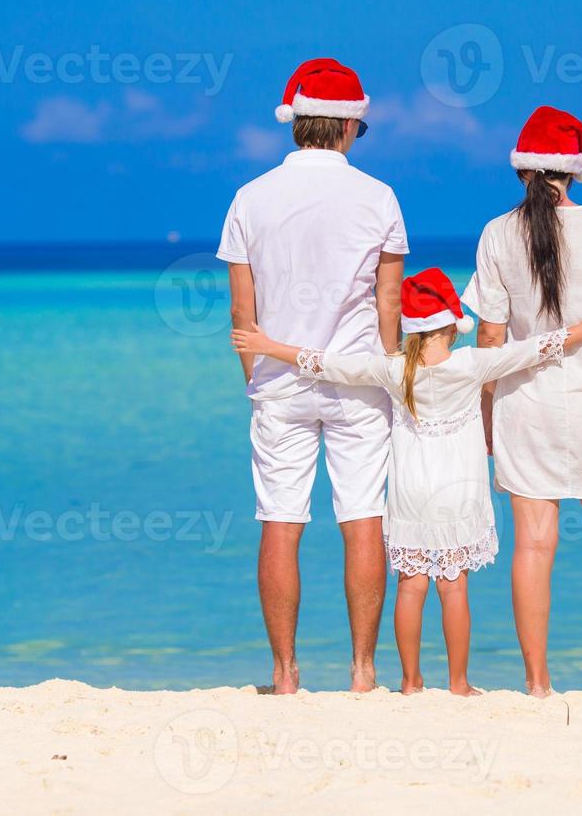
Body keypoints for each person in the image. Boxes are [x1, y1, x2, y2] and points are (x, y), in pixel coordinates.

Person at [231, 268, 582, 696]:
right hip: (457, 488)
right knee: (454, 584)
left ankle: (409, 681)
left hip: (409, 488)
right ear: (450, 324)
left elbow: (326, 364)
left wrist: (266, 346)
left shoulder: (392, 370)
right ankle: (458, 683)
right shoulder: (472, 364)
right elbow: (539, 348)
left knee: (411, 583)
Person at [216, 57, 407, 695]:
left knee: (280, 520)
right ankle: (362, 671)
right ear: (350, 128)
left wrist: (257, 375)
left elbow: (243, 311)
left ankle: (285, 673)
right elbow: (388, 304)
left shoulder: (250, 197)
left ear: (295, 123)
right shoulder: (378, 197)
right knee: (362, 517)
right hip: (358, 379)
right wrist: (395, 375)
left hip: (277, 382)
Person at [462, 106, 582, 699]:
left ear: (522, 171)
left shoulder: (496, 234)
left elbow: (489, 339)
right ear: (574, 171)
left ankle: (537, 683)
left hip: (525, 406)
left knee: (535, 545)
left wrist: (485, 415)